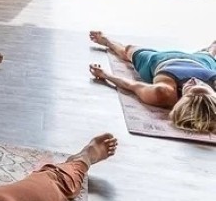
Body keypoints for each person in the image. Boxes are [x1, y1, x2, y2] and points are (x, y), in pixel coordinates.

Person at [88, 31, 216, 133]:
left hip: (159, 60)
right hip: (202, 61)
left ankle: (108, 42)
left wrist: (105, 75)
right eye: (203, 86)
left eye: (190, 88)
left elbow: (131, 85)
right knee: (212, 50)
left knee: (127, 51)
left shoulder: (163, 93)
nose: (195, 81)